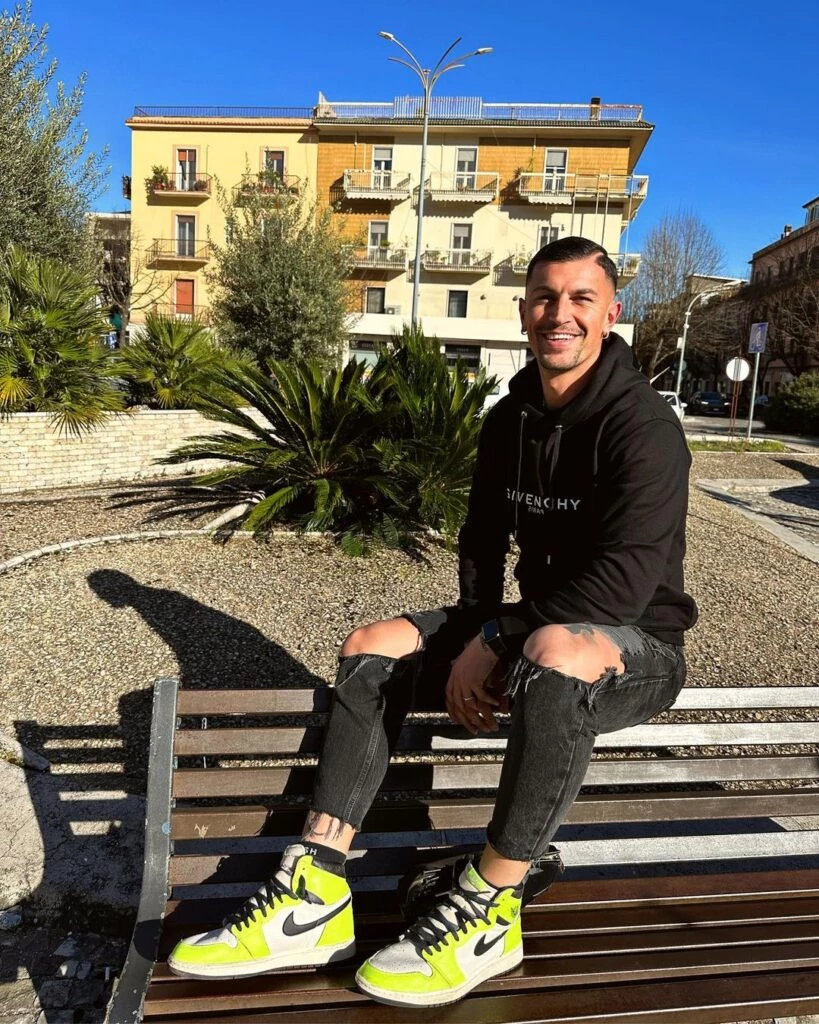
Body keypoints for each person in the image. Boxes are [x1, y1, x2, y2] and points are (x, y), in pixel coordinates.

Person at [168, 236, 698, 1007]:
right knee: (372, 646)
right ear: (523, 311)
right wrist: (478, 630)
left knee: (553, 651)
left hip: (635, 647)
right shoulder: (510, 418)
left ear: (610, 312)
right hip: (534, 630)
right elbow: (482, 540)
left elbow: (621, 586)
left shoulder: (642, 426)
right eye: (544, 297)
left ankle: (490, 908)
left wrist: (495, 640)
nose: (560, 314)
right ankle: (314, 892)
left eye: (580, 299)